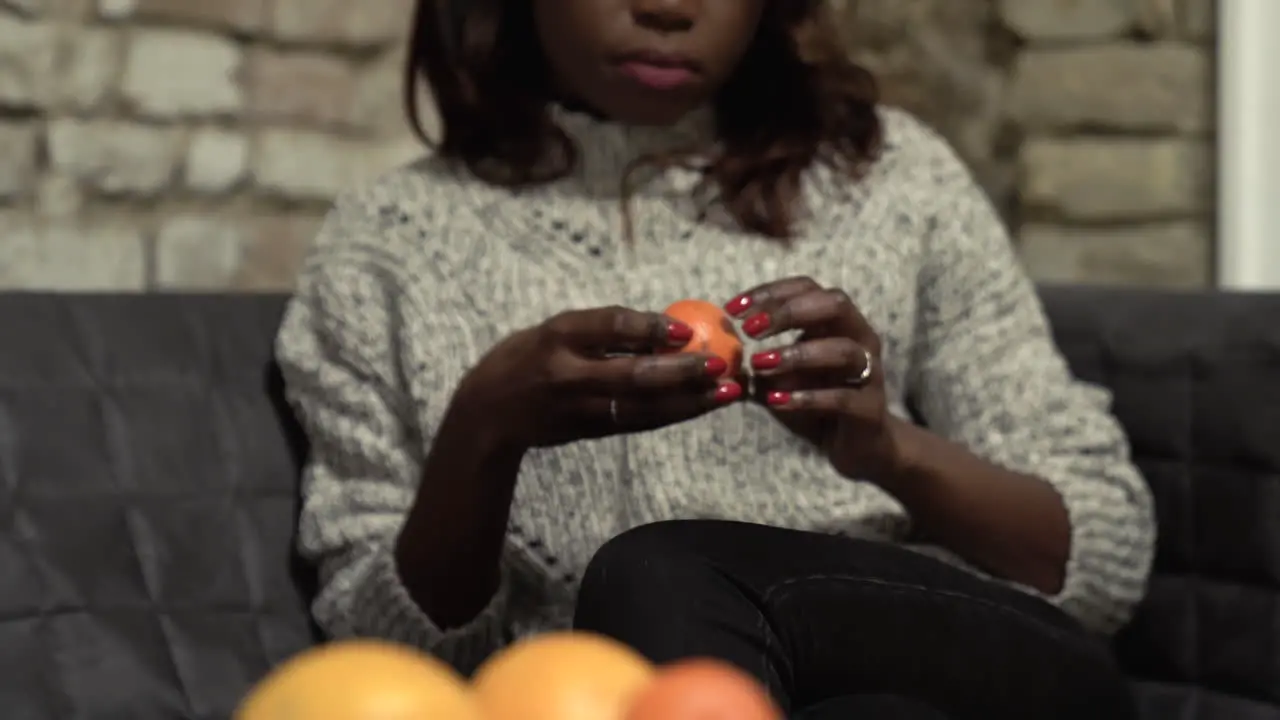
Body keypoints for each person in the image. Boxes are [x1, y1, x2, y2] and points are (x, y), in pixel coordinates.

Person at [274, 1, 1156, 717]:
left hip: (970, 666)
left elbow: (1095, 556)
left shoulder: (893, 183)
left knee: (659, 572)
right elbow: (386, 662)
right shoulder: (385, 249)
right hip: (616, 703)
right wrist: (484, 430)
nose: (669, 8)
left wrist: (887, 451)